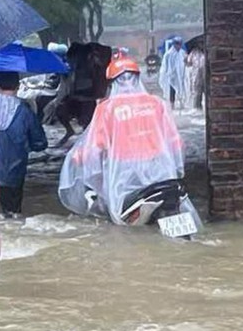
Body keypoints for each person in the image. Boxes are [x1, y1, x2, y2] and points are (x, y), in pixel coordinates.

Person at [59, 54, 190, 223]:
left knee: (118, 222)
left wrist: (80, 158)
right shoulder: (157, 103)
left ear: (112, 83)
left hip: (124, 176)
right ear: (137, 78)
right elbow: (176, 144)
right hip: (161, 171)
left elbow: (95, 148)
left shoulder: (106, 109)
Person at [0, 71, 44, 216]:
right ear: (18, 86)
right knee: (12, 216)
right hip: (14, 174)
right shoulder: (25, 111)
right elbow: (40, 143)